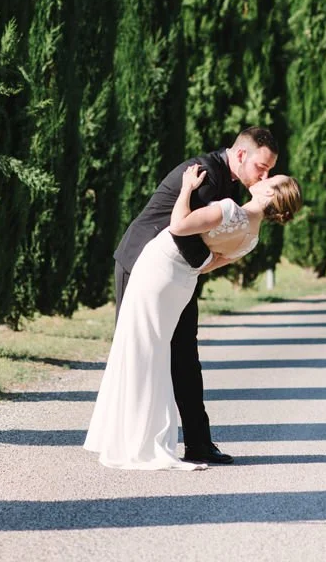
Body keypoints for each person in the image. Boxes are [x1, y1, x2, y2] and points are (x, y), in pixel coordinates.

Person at [83, 153, 302, 470]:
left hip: (157, 269)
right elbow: (210, 264)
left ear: (270, 194)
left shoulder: (229, 208)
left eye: (272, 179)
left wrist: (186, 188)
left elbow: (179, 225)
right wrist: (191, 268)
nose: (265, 178)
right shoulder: (251, 239)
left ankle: (126, 435)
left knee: (137, 349)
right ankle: (143, 436)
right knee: (158, 354)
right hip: (183, 283)